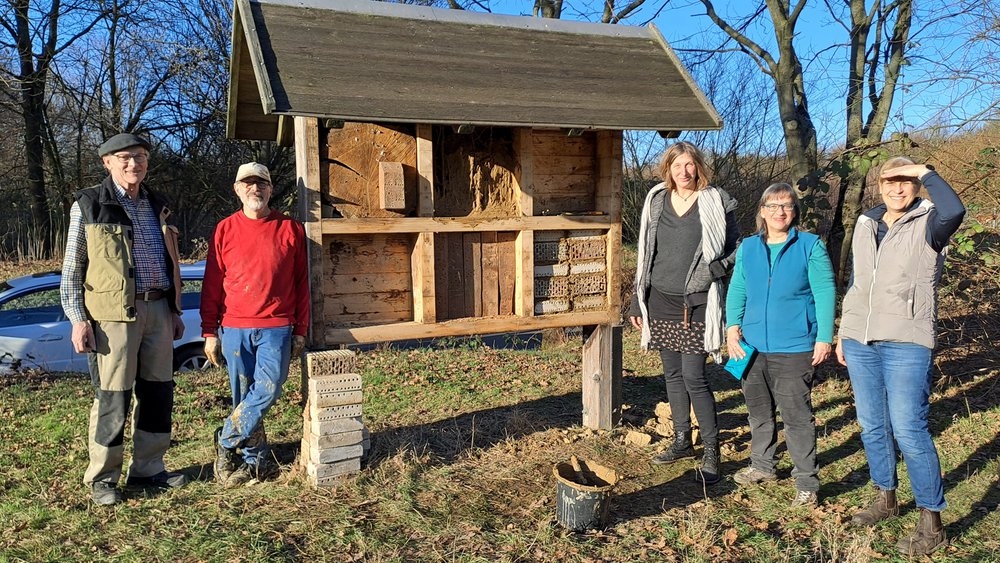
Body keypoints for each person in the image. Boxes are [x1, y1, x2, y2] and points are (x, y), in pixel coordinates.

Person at [836, 158, 965, 556]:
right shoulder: (864, 224)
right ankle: (886, 498)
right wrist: (844, 332)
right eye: (890, 181)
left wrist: (924, 169)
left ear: (916, 185)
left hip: (907, 341)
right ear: (878, 185)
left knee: (908, 428)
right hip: (861, 339)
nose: (897, 188)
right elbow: (859, 283)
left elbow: (955, 209)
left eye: (906, 181)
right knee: (872, 424)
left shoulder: (931, 223)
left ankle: (932, 521)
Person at [60, 132, 188, 506]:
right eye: (126, 158)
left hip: (159, 311)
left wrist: (175, 309)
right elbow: (71, 271)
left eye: (142, 157)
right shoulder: (88, 205)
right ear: (107, 162)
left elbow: (170, 263)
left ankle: (149, 468)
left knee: (158, 392)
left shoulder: (156, 204)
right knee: (112, 397)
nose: (135, 164)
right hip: (112, 317)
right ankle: (103, 477)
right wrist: (78, 319)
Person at [628, 141, 740, 485]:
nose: (684, 172)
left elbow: (735, 248)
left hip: (698, 303)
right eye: (678, 166)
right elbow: (647, 250)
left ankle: (711, 451)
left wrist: (714, 272)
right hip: (660, 298)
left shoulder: (717, 200)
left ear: (699, 167)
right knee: (672, 376)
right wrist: (638, 298)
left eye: (690, 165)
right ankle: (681, 441)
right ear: (668, 169)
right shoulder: (656, 199)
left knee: (694, 377)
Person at [725, 183, 835, 507]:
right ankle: (762, 466)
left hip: (795, 346)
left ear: (794, 211)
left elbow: (826, 292)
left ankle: (807, 482)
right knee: (758, 413)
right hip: (751, 346)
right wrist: (732, 328)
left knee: (796, 416)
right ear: (762, 211)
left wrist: (824, 336)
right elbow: (738, 289)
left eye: (786, 206)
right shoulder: (748, 248)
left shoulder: (810, 245)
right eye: (772, 206)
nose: (779, 212)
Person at [201, 162, 309, 487]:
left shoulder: (289, 229)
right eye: (247, 184)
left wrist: (301, 329)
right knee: (243, 397)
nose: (255, 189)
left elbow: (303, 283)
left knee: (266, 389)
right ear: (237, 190)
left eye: (261, 183)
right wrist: (209, 332)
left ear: (270, 190)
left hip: (276, 326)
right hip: (234, 328)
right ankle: (255, 462)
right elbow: (212, 284)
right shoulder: (224, 229)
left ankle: (225, 439)